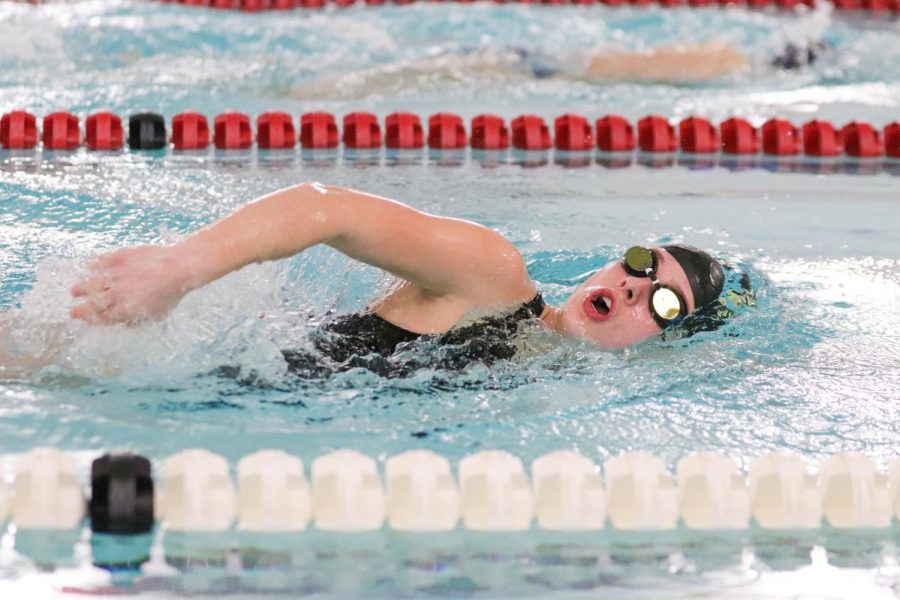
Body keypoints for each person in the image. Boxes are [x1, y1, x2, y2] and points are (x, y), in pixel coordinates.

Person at [64, 182, 751, 379]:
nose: (635, 289)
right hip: (127, 362)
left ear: (665, 345)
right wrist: (178, 270)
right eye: (639, 264)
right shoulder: (494, 277)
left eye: (663, 303)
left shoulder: (545, 381)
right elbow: (326, 208)